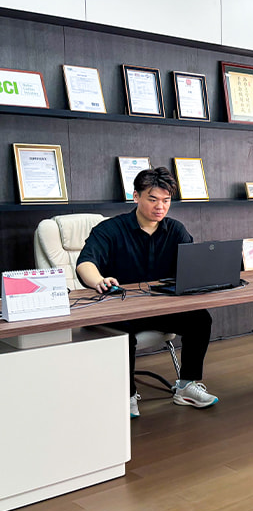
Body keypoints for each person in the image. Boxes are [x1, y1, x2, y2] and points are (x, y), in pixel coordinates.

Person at [76, 167, 218, 418]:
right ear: (136, 197)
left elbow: (191, 266)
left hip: (160, 307)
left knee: (200, 320)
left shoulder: (175, 230)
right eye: (152, 199)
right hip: (121, 309)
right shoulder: (110, 229)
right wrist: (99, 280)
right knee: (123, 336)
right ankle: (127, 395)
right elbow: (85, 263)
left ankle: (186, 386)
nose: (160, 207)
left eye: (166, 200)